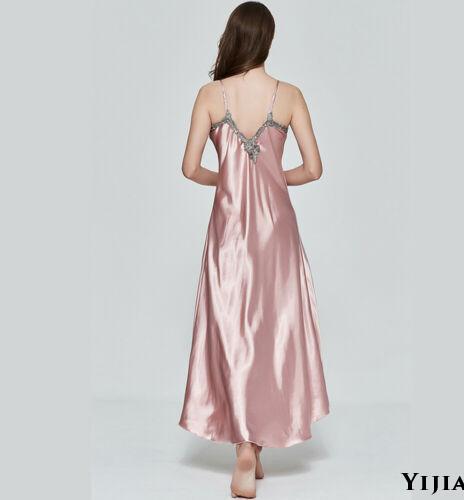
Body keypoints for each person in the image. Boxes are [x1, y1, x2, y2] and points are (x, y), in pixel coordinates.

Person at [178, 2, 330, 497]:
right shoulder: (289, 95)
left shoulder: (210, 95)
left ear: (233, 37)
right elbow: (313, 169)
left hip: (229, 229)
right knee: (273, 330)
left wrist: (230, 180)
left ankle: (244, 447)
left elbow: (189, 168)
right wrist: (269, 180)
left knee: (231, 330)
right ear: (268, 40)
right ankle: (255, 443)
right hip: (276, 229)